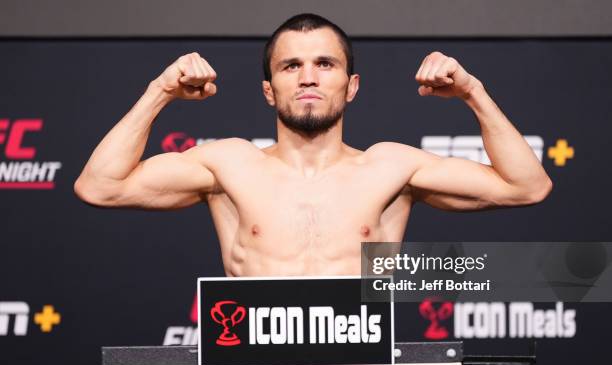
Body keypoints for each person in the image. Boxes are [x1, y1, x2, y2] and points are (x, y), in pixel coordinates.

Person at [74, 13, 552, 278]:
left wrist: (473, 92)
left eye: (325, 64)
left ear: (352, 85)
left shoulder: (391, 167)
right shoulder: (228, 164)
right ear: (268, 90)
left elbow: (526, 187)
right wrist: (161, 90)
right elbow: (99, 186)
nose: (307, 78)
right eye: (290, 67)